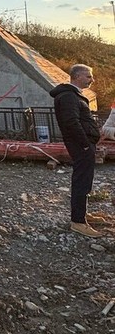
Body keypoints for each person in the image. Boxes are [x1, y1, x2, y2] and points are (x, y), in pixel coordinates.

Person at [50, 64, 103, 237]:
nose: (92, 80)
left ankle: (81, 215)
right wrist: (85, 144)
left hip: (83, 145)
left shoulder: (73, 95)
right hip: (81, 146)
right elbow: (71, 123)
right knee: (82, 181)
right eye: (88, 76)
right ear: (77, 76)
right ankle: (78, 222)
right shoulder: (68, 96)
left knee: (85, 181)